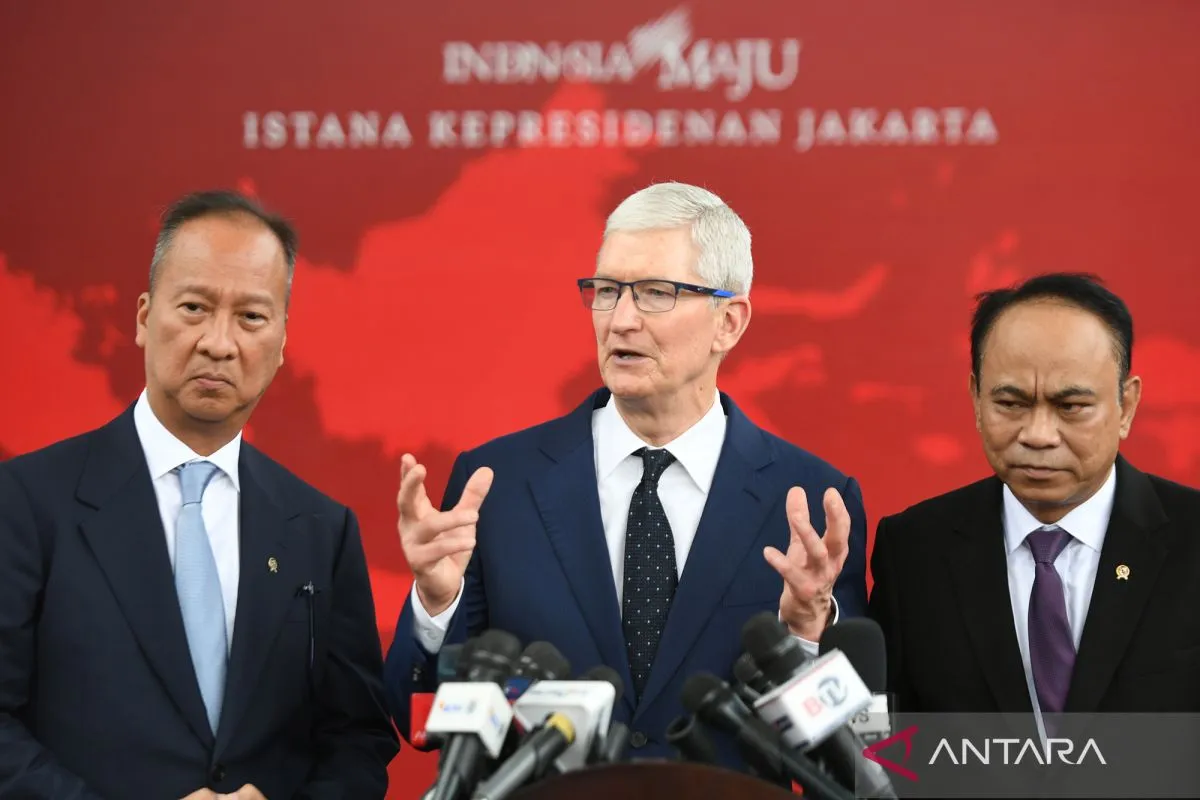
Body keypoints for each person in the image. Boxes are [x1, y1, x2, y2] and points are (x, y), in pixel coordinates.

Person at [383, 181, 869, 763]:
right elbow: (423, 723)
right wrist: (437, 606)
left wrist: (806, 633)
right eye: (607, 291)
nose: (621, 320)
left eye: (656, 293)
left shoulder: (810, 502)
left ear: (729, 322)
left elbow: (848, 753)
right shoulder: (499, 485)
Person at [0, 191, 398, 799]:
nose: (219, 342)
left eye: (251, 318)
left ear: (282, 342)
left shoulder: (320, 529)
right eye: (194, 307)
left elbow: (357, 739)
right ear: (143, 317)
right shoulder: (27, 503)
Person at [868, 273, 1200, 730]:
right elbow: (880, 738)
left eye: (1071, 406)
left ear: (1126, 406)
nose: (1038, 435)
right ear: (976, 399)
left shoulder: (1190, 538)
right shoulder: (914, 550)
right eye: (1011, 403)